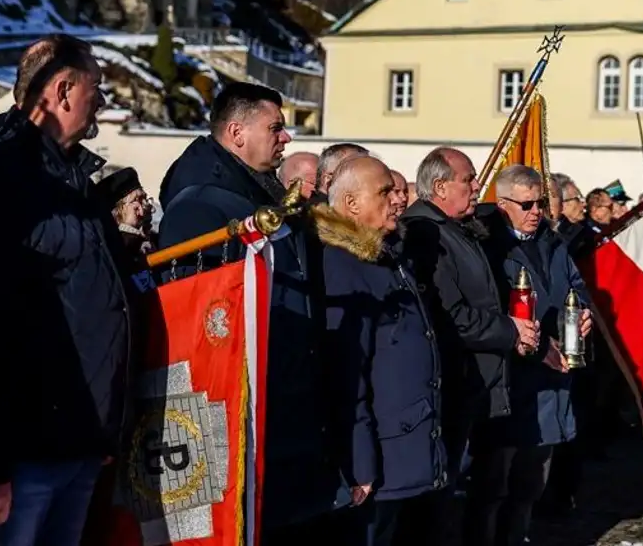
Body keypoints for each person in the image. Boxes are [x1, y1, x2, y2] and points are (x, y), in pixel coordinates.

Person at [0, 34, 130, 546]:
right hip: (24, 451)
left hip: (78, 441)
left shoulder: (75, 181)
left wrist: (103, 426)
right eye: (97, 88)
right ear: (64, 91)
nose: (102, 102)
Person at [156, 82, 339, 540]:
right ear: (236, 132)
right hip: (240, 397)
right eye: (275, 127)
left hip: (280, 386)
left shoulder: (256, 190)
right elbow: (200, 312)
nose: (286, 138)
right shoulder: (203, 201)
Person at [400, 147, 538, 537]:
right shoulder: (428, 233)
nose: (479, 187)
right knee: (436, 503)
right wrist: (509, 330)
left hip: (479, 382)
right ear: (440, 187)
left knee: (482, 490)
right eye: (470, 179)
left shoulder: (458, 228)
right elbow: (451, 315)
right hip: (452, 384)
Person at [319, 156, 446, 546]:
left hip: (407, 445)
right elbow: (346, 374)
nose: (397, 199)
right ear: (352, 204)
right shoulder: (342, 264)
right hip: (380, 458)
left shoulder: (386, 253)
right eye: (385, 192)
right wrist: (360, 462)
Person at [468, 166, 591, 546]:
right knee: (492, 487)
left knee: (531, 484)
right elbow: (484, 313)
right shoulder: (486, 245)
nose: (537, 210)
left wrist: (582, 313)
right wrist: (535, 349)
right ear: (502, 204)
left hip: (552, 382)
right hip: (507, 383)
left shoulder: (552, 242)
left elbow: (575, 286)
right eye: (526, 204)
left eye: (540, 202)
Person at [97, 166, 155, 265]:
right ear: (117, 211)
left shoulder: (152, 237)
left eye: (145, 199)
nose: (147, 206)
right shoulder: (116, 246)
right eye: (137, 201)